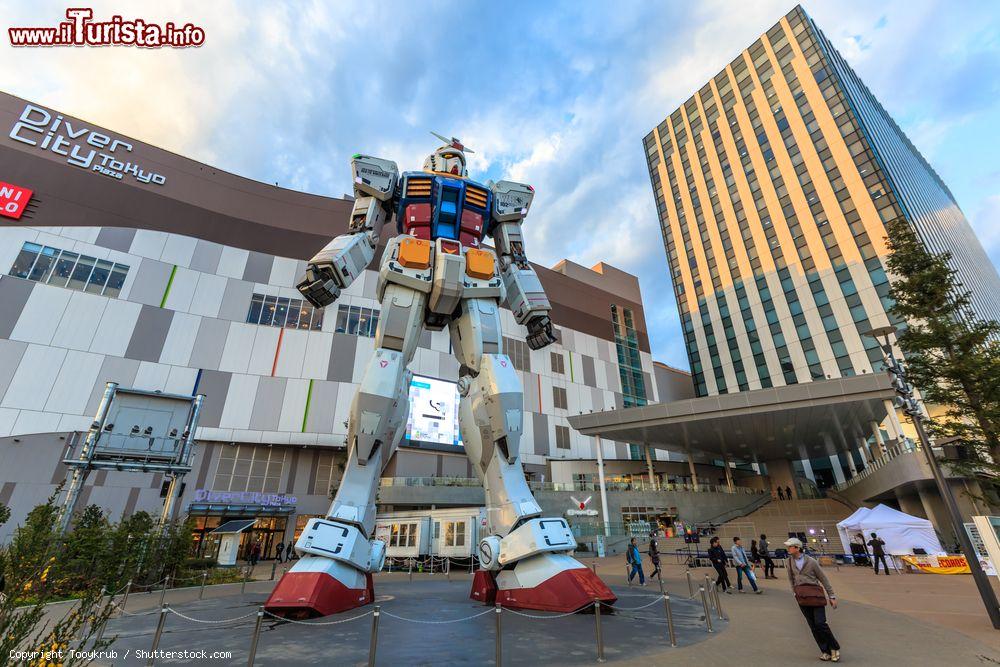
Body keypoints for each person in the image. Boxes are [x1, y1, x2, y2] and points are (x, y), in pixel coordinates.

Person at [785, 537, 841, 662]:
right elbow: (791, 579)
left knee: (820, 623)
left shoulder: (811, 561)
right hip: (802, 597)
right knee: (812, 626)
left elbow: (823, 579)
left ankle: (834, 647)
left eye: (790, 546)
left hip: (815, 596)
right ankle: (824, 650)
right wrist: (794, 592)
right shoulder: (788, 562)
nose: (788, 549)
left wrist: (831, 596)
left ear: (797, 547)